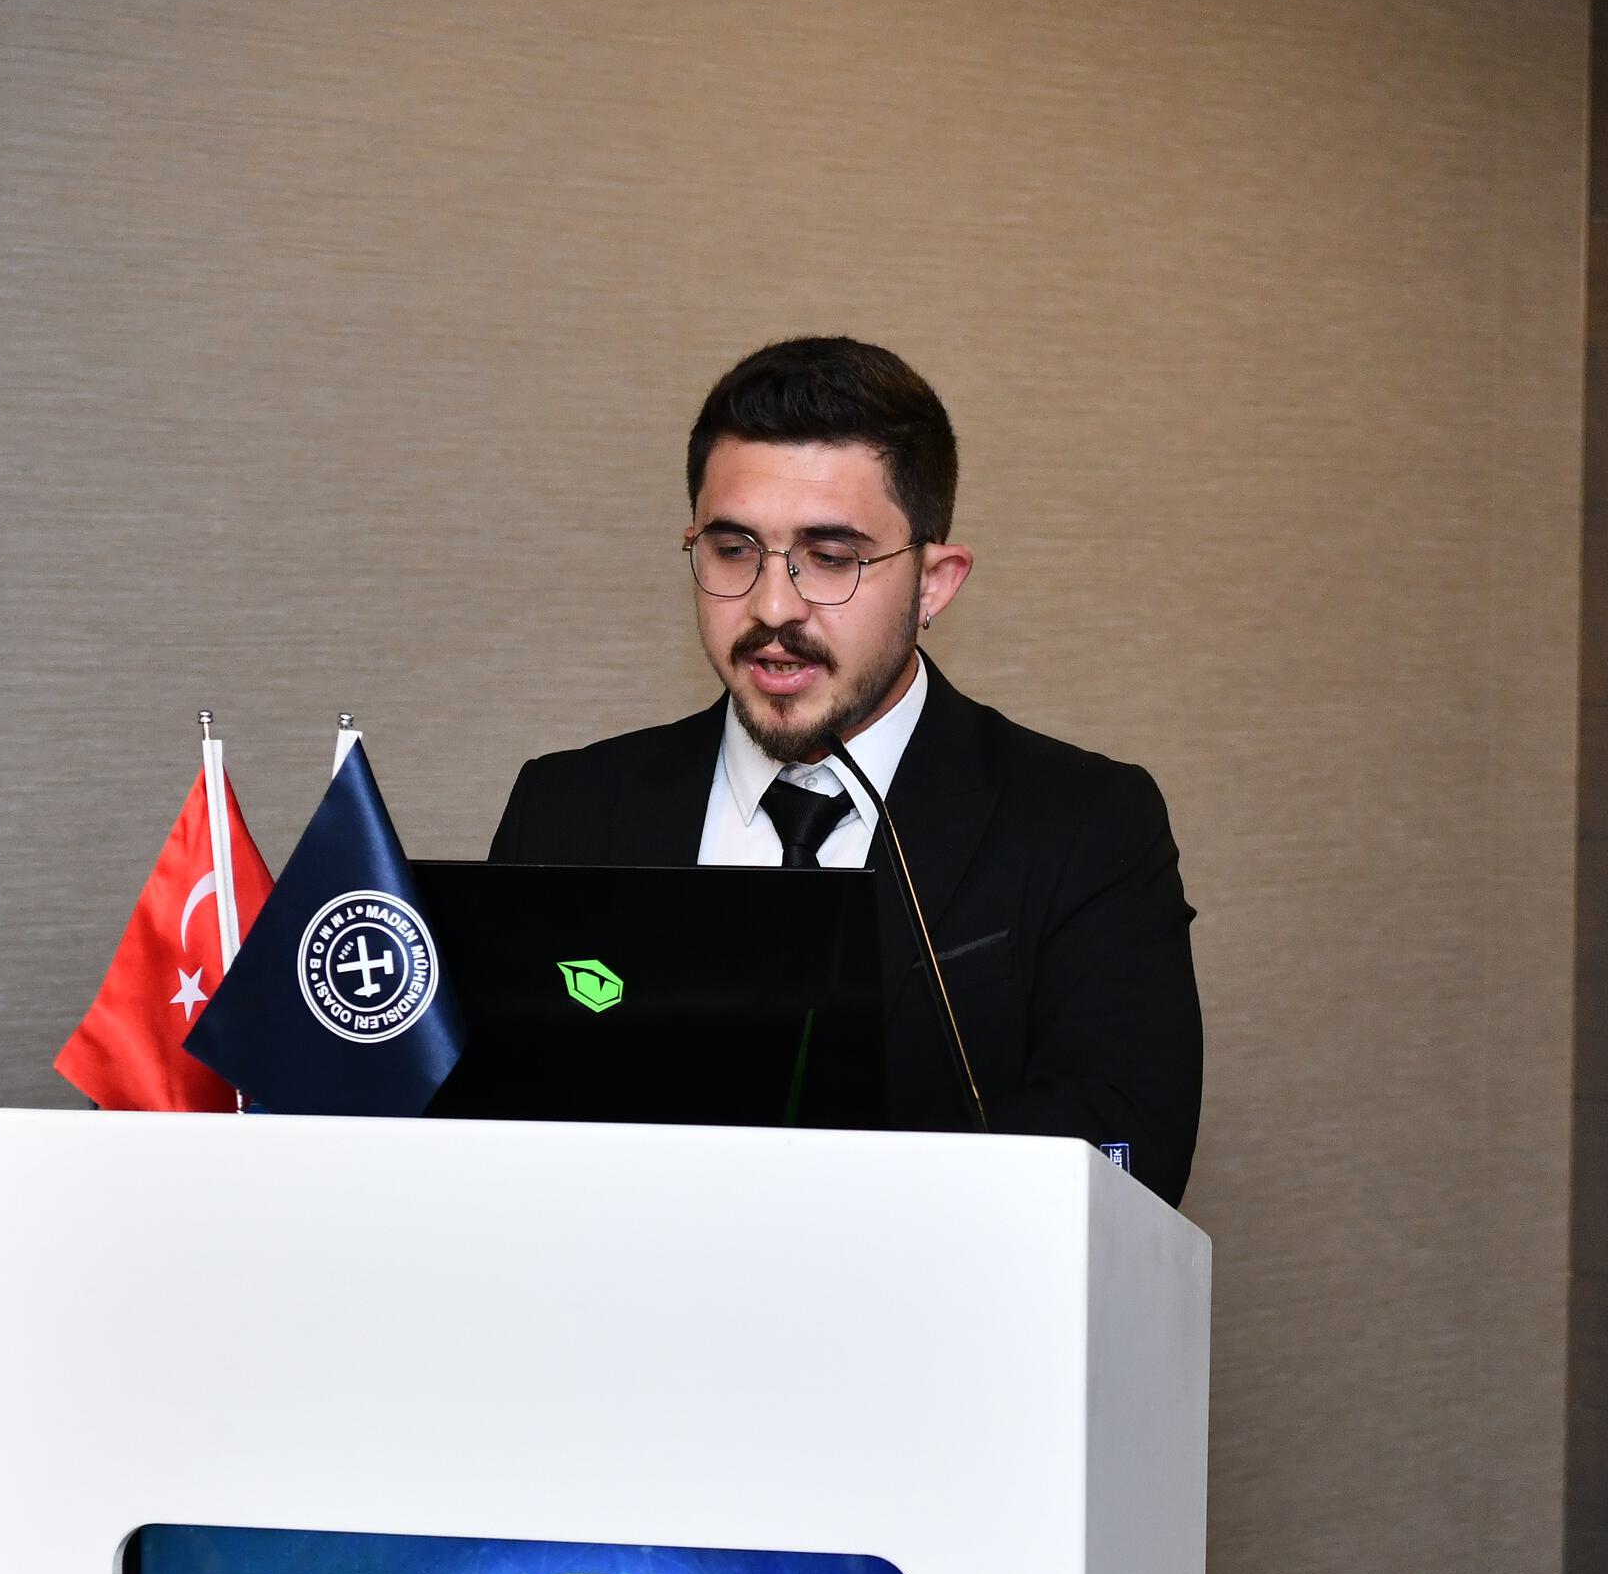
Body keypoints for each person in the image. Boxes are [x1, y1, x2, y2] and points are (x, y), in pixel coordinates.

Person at [488, 336, 1204, 1202]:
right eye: (733, 550)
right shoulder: (565, 810)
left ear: (934, 583)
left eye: (831, 558)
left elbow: (1129, 1154)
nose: (773, 607)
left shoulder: (1086, 823)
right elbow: (498, 1137)